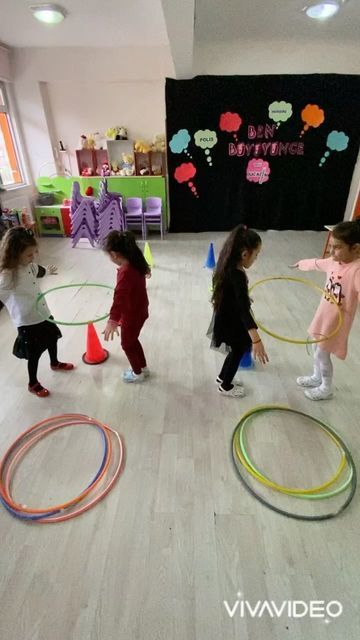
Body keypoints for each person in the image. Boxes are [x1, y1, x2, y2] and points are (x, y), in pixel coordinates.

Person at [0, 227, 74, 398]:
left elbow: (38, 270)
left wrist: (48, 270)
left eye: (33, 253)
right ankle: (33, 383)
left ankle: (54, 362)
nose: (32, 257)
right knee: (34, 354)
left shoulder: (29, 266)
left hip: (43, 312)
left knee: (52, 338)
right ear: (14, 254)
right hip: (28, 321)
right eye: (29, 255)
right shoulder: (7, 276)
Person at [292, 220, 360, 400]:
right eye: (330, 246)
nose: (331, 252)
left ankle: (326, 387)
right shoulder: (334, 261)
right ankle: (316, 377)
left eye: (337, 247)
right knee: (316, 346)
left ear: (355, 249)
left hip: (337, 322)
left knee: (322, 353)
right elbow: (317, 263)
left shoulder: (356, 270)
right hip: (324, 315)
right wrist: (301, 263)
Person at [211, 224, 269, 397]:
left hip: (226, 317)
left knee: (234, 351)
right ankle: (226, 386)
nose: (256, 258)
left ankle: (222, 377)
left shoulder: (227, 264)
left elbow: (237, 301)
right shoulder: (237, 276)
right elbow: (244, 310)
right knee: (238, 351)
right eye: (256, 255)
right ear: (244, 254)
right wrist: (257, 341)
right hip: (234, 321)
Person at [103, 230, 150, 383]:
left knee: (127, 344)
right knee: (133, 340)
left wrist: (113, 320)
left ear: (115, 254)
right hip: (139, 310)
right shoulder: (135, 262)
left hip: (132, 314)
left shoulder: (126, 272)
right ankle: (143, 368)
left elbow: (119, 298)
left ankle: (138, 373)